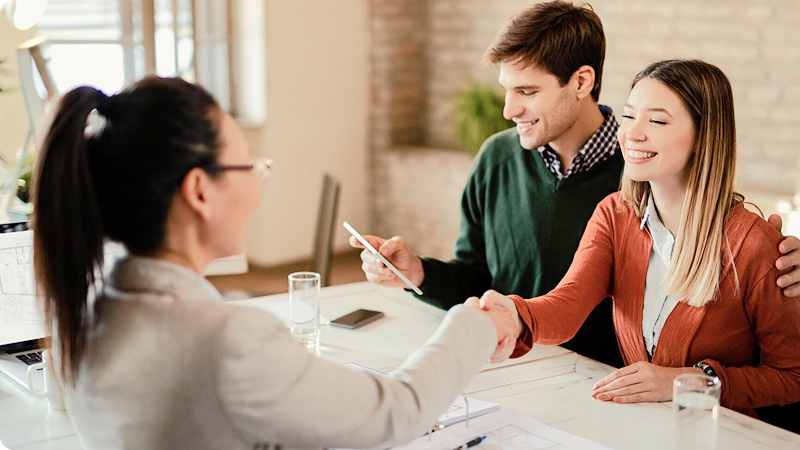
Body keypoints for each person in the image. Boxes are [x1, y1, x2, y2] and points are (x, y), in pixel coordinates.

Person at [32, 77, 516, 449]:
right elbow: (401, 411)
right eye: (248, 166)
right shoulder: (227, 342)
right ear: (200, 191)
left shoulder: (85, 315)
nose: (258, 183)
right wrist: (472, 325)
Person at [351, 1, 800, 369]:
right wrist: (418, 272)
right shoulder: (498, 159)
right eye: (506, 90)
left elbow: (741, 300)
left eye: (527, 92)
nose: (509, 109)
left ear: (581, 82)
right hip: (515, 357)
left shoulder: (648, 174)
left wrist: (787, 274)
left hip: (609, 378)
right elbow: (485, 279)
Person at [475, 59, 800, 416]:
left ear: (704, 136)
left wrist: (688, 380)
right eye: (630, 116)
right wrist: (512, 314)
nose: (632, 133)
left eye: (657, 120)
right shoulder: (615, 215)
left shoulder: (757, 245)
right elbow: (567, 304)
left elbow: (792, 377)